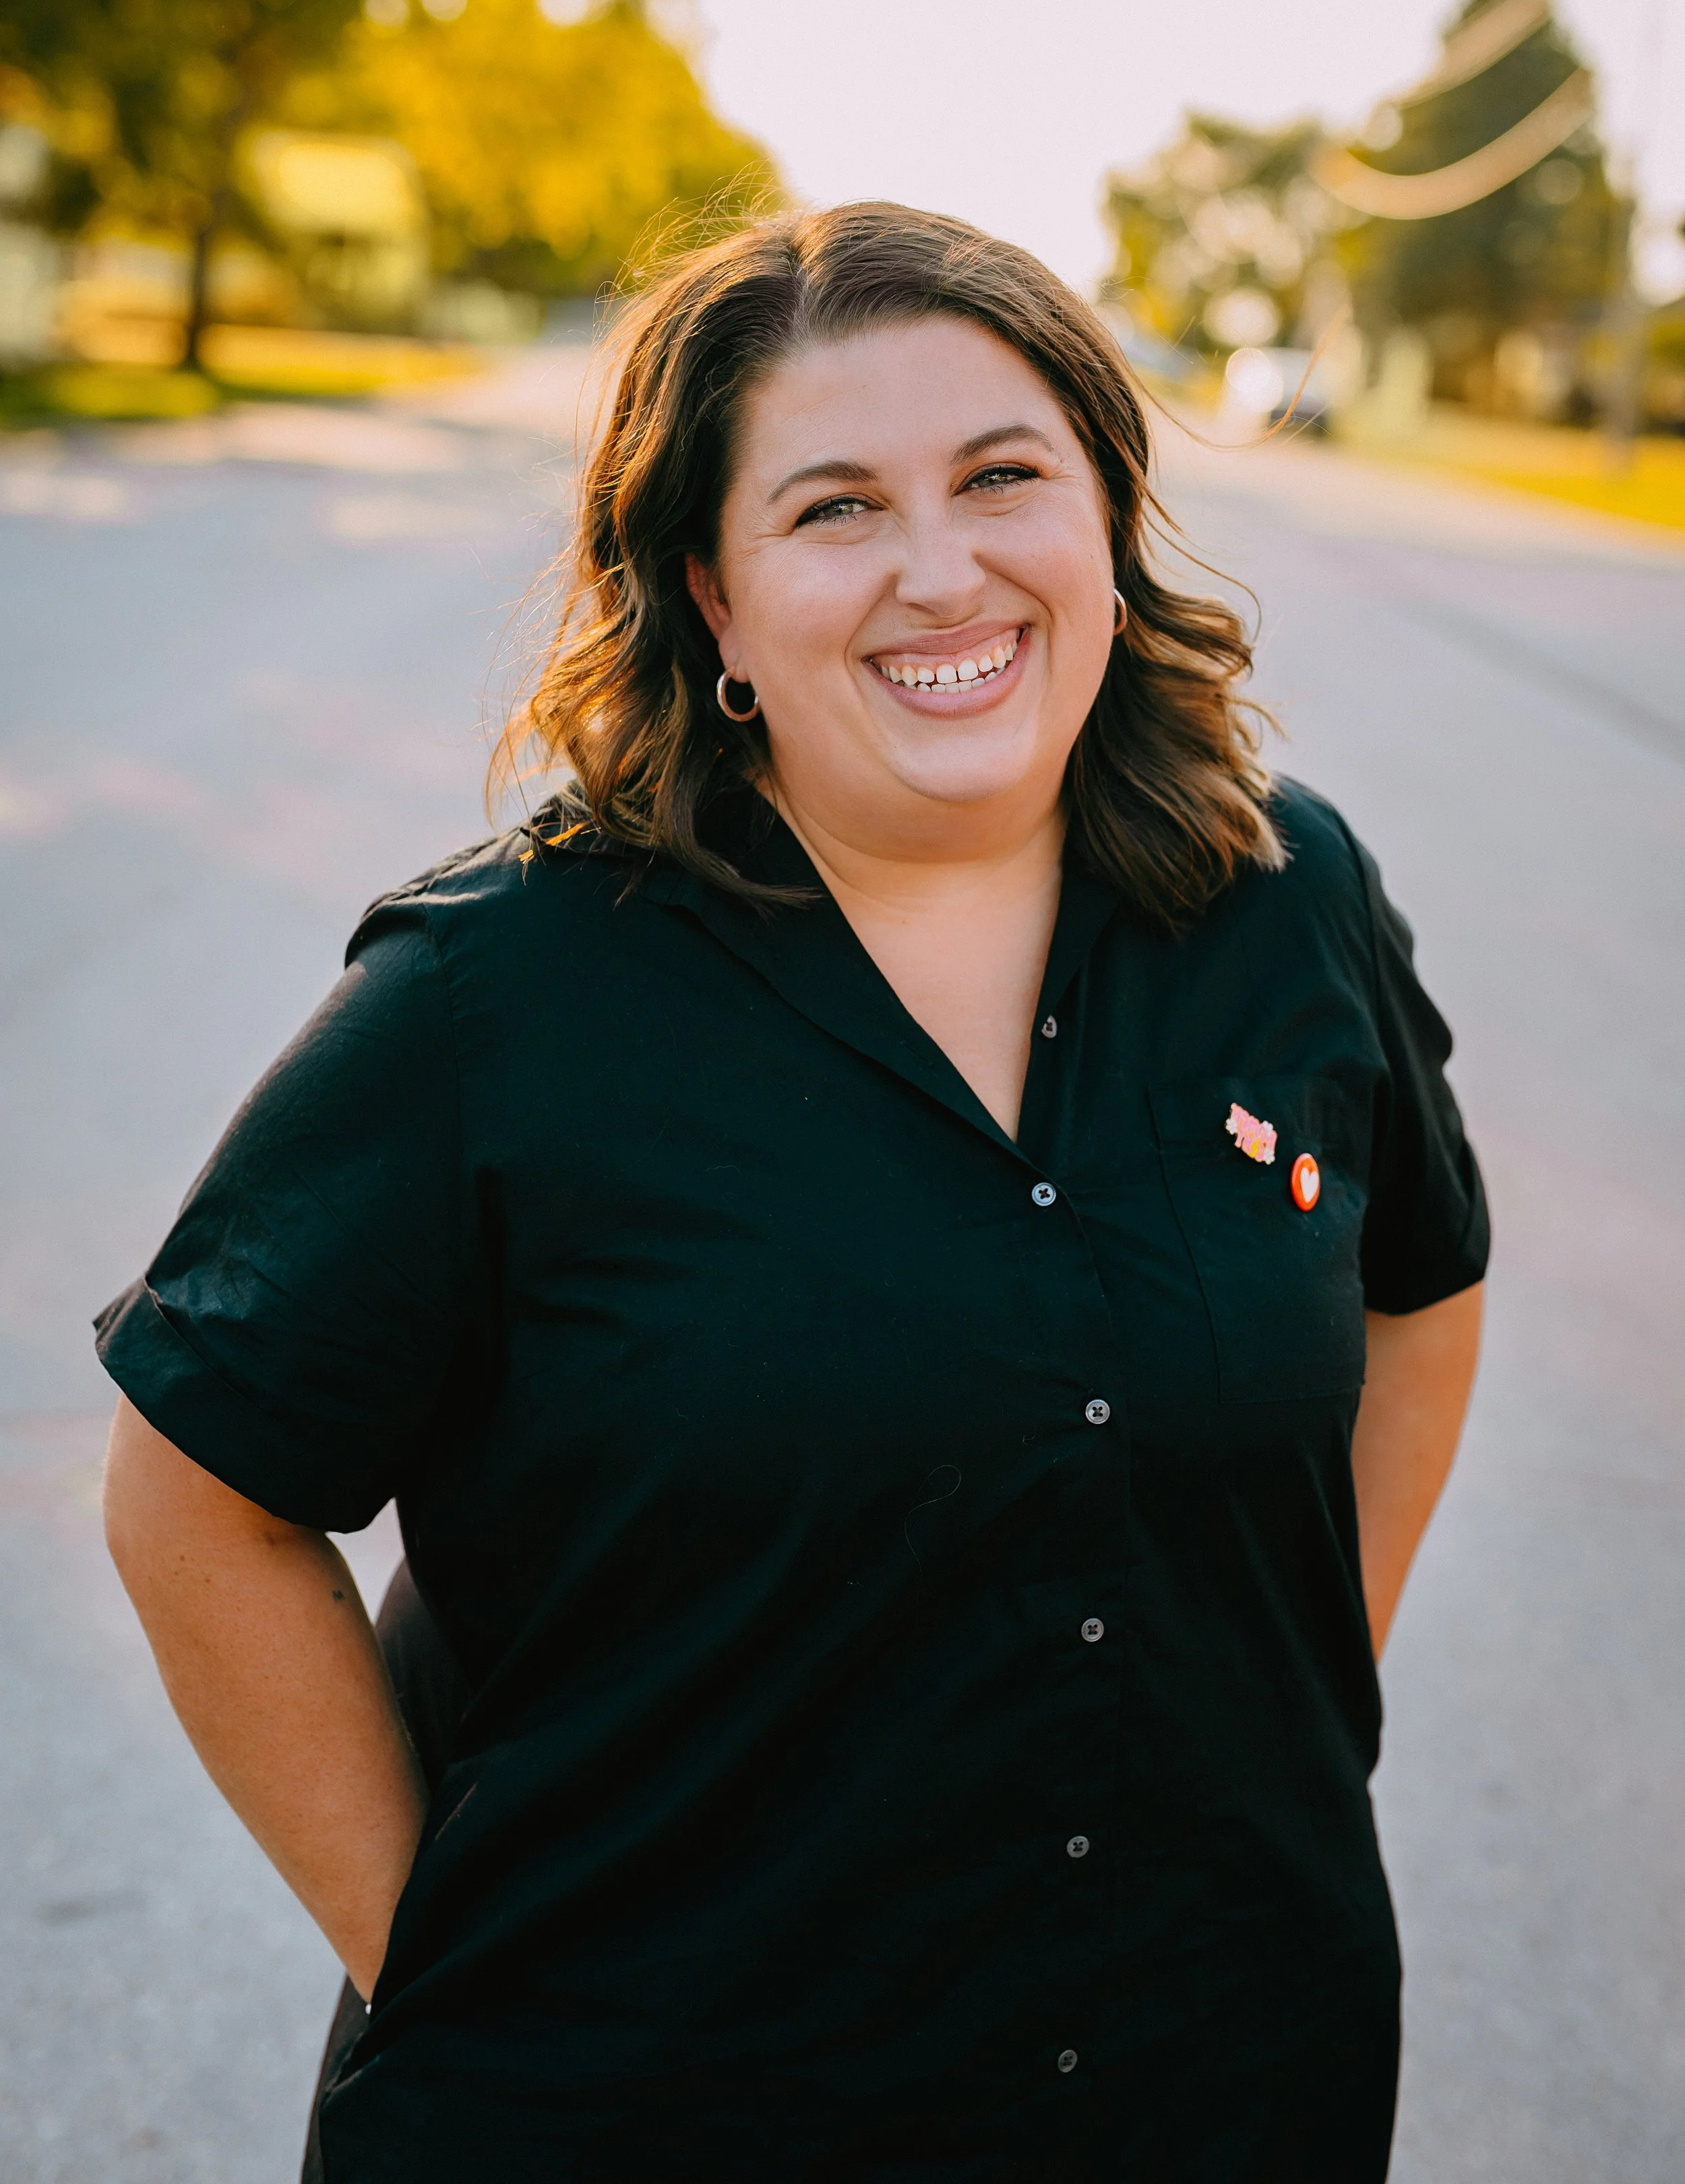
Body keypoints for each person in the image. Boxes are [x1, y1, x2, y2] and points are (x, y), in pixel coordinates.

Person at [97, 204, 1487, 2183]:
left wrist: (1283, 1695)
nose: (943, 570)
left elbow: (1421, 1285)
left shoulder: (1290, 899)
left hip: (1222, 2060)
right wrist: (452, 1959)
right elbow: (193, 1491)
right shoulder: (502, 999)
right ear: (715, 604)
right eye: (833, 510)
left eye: (1003, 477)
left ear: (1103, 514)